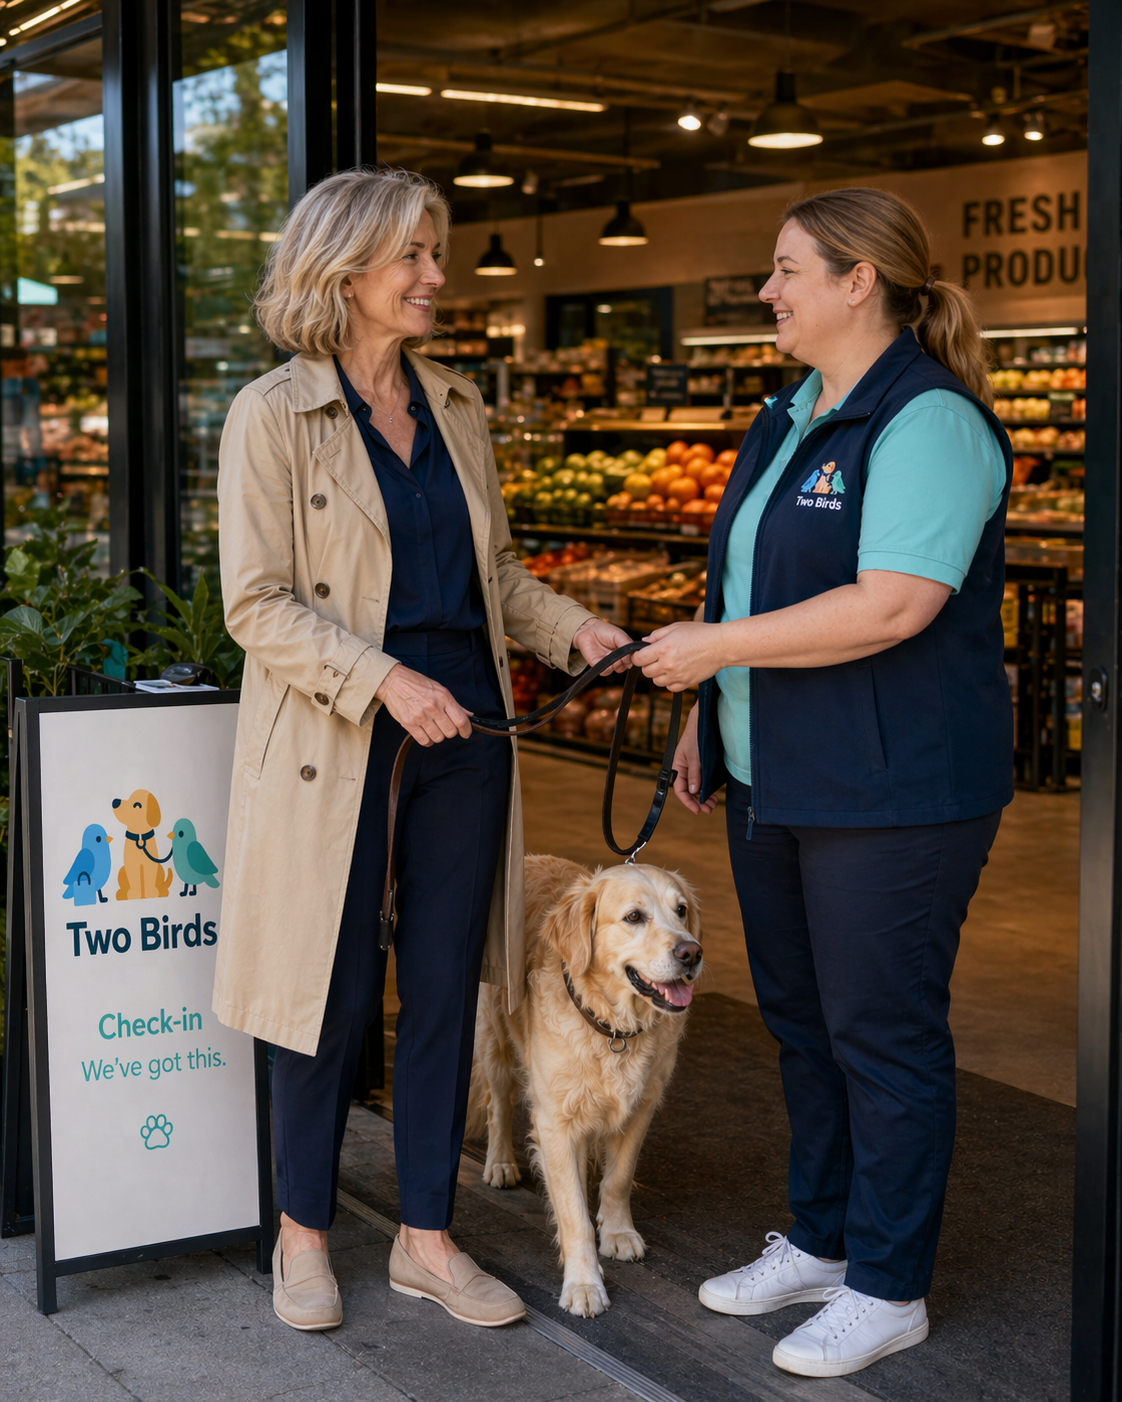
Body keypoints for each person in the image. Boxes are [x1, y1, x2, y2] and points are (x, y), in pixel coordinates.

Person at [213, 168, 631, 1333]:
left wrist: (577, 628)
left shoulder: (456, 404)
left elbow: (493, 578)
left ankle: (426, 1240)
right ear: (344, 271)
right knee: (330, 989)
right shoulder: (273, 413)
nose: (437, 276)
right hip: (340, 740)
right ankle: (303, 1233)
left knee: (447, 987)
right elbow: (256, 603)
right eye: (415, 256)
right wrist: (383, 678)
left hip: (468, 738)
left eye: (435, 253)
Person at [635, 187, 1012, 1379]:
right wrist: (707, 708)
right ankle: (826, 1236)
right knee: (804, 1024)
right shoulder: (792, 411)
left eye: (789, 269)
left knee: (882, 1035)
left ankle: (889, 1283)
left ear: (861, 282)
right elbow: (748, 586)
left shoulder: (931, 421)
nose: (768, 290)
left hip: (893, 790)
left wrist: (714, 652)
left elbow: (893, 603)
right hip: (772, 771)